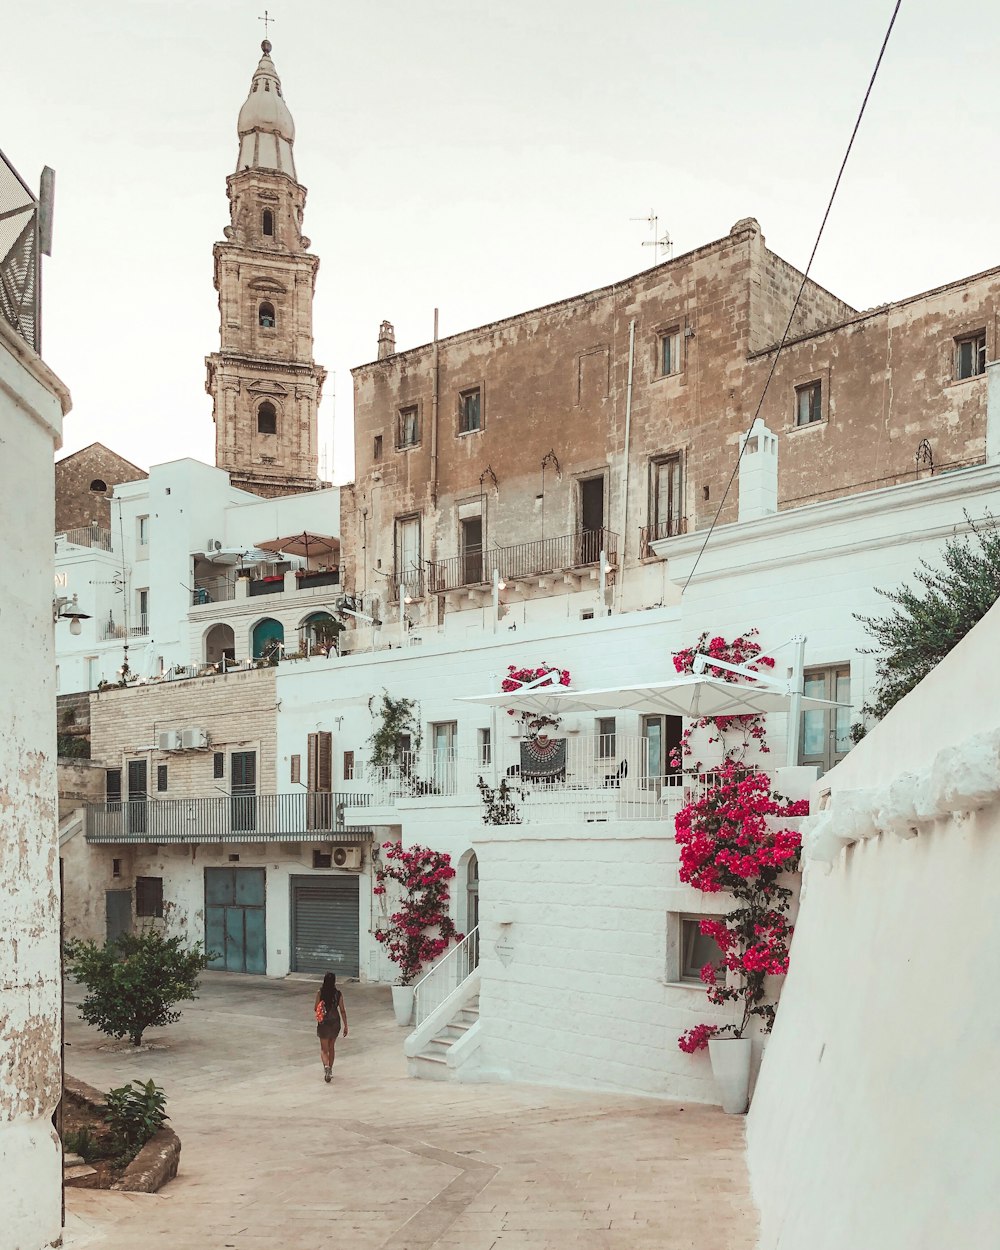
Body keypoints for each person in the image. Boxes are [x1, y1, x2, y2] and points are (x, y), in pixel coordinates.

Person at [315, 972, 348, 1082]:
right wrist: (346, 1025)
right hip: (335, 1023)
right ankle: (331, 1069)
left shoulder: (320, 992)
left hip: (324, 1023)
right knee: (331, 1047)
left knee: (324, 1050)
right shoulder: (338, 994)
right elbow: (342, 1010)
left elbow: (315, 1007)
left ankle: (326, 1067)